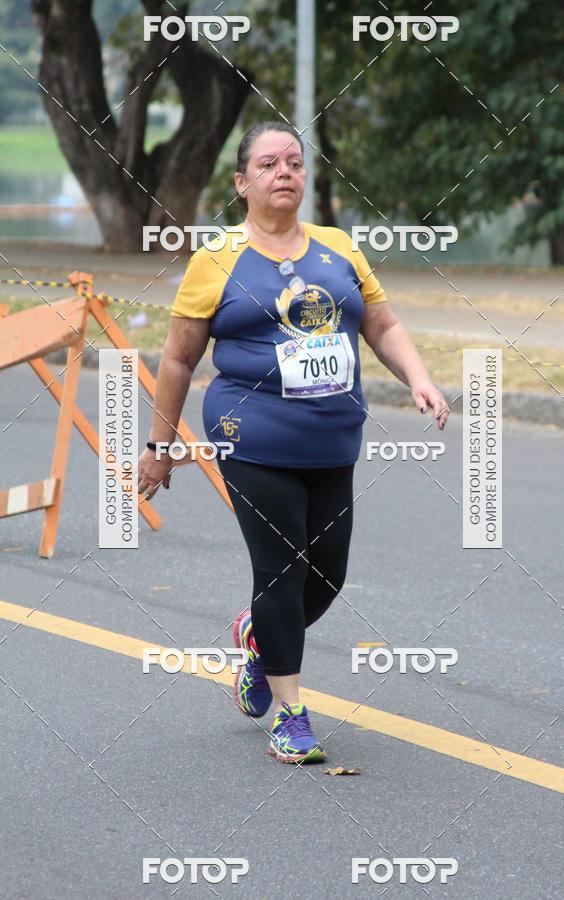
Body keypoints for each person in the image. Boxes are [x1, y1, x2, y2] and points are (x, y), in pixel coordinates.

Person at [137, 120, 450, 764]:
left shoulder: (337, 248)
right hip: (249, 437)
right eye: (270, 163)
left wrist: (419, 378)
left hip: (333, 440)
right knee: (279, 568)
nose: (285, 173)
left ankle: (257, 639)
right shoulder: (216, 259)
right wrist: (159, 447)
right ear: (242, 181)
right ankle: (292, 710)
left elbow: (382, 322)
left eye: (295, 163)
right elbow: (177, 360)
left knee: (328, 575)